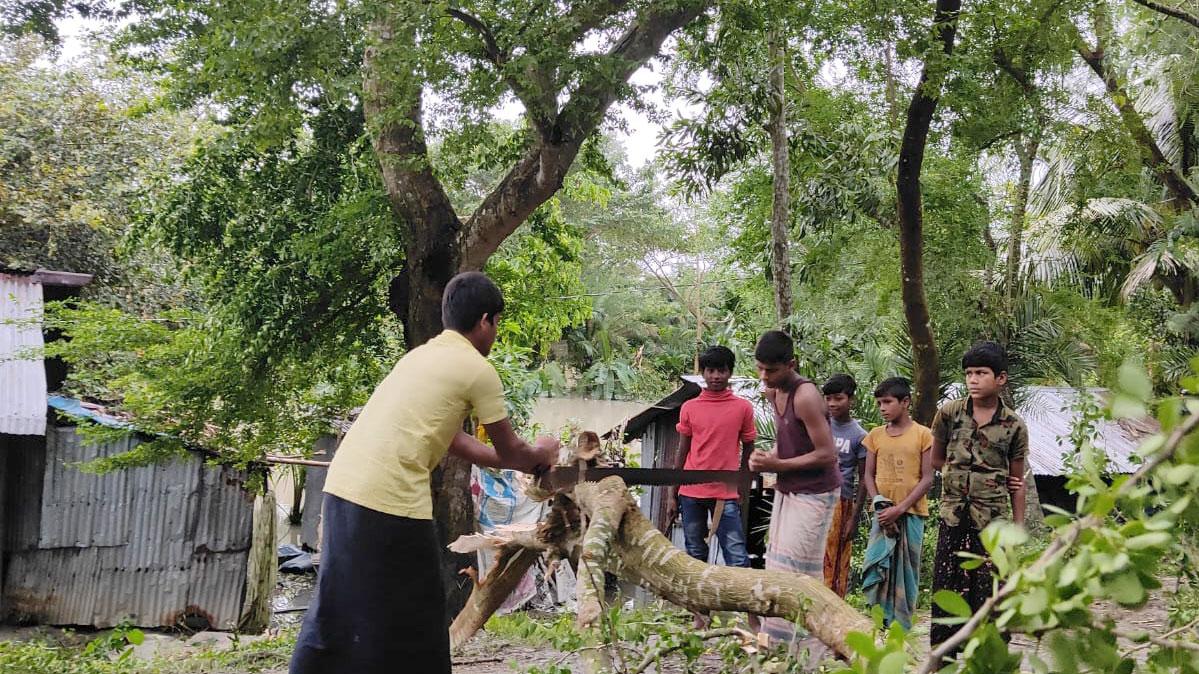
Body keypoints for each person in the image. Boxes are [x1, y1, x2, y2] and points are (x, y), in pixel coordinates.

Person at [290, 272, 560, 674]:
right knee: (419, 615)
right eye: (497, 324)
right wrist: (542, 453)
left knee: (335, 604)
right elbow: (511, 450)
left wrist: (520, 459)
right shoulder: (476, 369)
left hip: (343, 487)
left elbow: (455, 441)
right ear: (485, 320)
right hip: (390, 499)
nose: (496, 334)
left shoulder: (419, 357)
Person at [929, 341, 1029, 657]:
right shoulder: (949, 414)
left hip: (994, 523)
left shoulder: (1013, 425)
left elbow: (1016, 481)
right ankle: (942, 656)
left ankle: (989, 655)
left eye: (981, 373)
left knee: (990, 589)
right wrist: (958, 480)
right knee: (947, 586)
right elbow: (936, 459)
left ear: (1000, 378)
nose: (973, 379)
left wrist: (1017, 529)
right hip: (953, 516)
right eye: (969, 373)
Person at [748, 330, 840, 646]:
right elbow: (787, 443)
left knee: (798, 570)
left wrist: (777, 466)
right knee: (778, 561)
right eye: (759, 368)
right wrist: (767, 458)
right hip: (790, 489)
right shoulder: (774, 393)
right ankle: (777, 641)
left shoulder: (806, 396)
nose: (764, 376)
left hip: (816, 491)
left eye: (771, 370)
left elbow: (828, 453)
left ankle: (805, 645)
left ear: (791, 364)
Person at [665, 345, 757, 628]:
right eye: (710, 370)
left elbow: (749, 450)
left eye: (722, 370)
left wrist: (743, 487)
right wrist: (672, 493)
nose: (716, 376)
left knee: (737, 555)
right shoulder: (690, 407)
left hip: (726, 494)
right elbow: (682, 452)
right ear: (702, 373)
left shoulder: (743, 407)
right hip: (691, 493)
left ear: (730, 372)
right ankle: (700, 615)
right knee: (695, 556)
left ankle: (753, 618)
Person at [860, 377, 934, 630]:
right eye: (879, 403)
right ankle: (879, 622)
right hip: (882, 515)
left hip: (911, 514)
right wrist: (880, 506)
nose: (882, 408)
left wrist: (899, 509)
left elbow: (927, 479)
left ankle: (902, 625)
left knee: (906, 573)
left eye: (888, 402)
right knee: (877, 566)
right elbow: (868, 475)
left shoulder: (923, 435)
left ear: (905, 402)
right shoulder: (875, 436)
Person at [821, 374, 869, 597]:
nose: (832, 404)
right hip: (816, 497)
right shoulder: (820, 425)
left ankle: (834, 605)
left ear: (851, 400)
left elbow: (864, 479)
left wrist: (854, 517)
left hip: (842, 501)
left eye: (838, 398)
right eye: (828, 398)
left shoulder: (859, 436)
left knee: (836, 557)